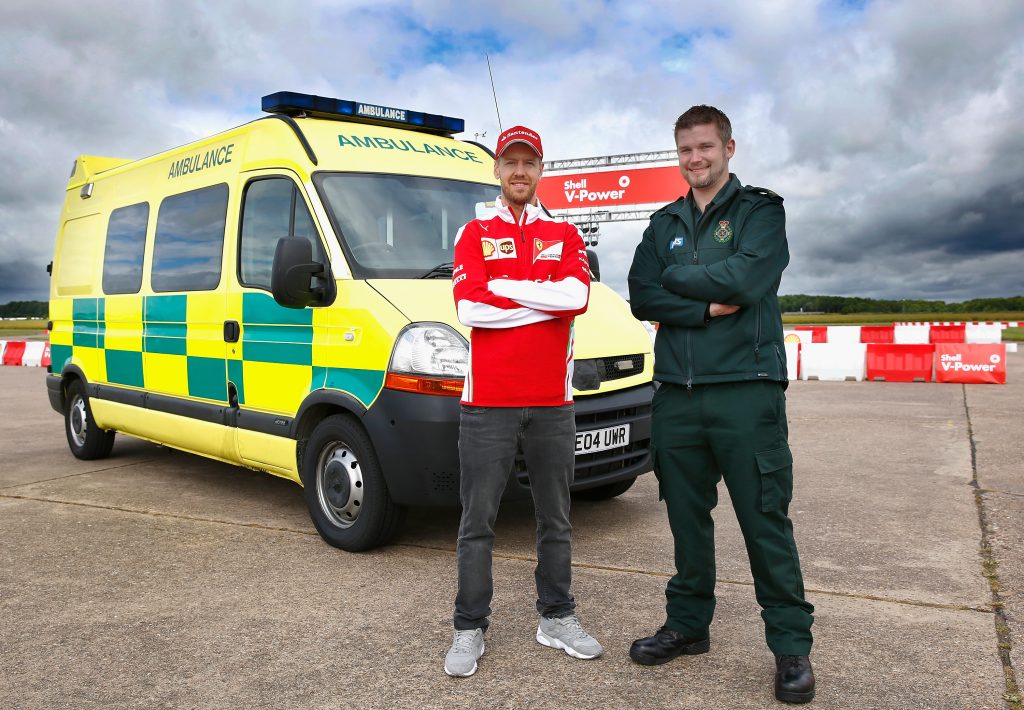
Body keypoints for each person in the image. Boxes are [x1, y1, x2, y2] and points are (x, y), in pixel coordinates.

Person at [626, 105, 816, 704]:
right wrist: (703, 305)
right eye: (685, 149)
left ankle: (791, 649)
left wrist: (675, 280)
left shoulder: (760, 211)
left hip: (746, 390)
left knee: (764, 522)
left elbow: (747, 281)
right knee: (686, 522)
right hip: (677, 397)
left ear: (729, 148)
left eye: (705, 147)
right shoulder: (664, 223)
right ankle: (688, 625)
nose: (695, 159)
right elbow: (638, 292)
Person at [443, 125, 602, 677]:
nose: (519, 171)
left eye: (528, 162)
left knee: (555, 518)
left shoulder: (564, 231)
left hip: (553, 402)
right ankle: (469, 628)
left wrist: (507, 286)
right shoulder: (473, 230)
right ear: (497, 169)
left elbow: (577, 297)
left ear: (541, 169)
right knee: (477, 521)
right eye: (510, 161)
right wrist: (543, 299)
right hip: (486, 403)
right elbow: (471, 310)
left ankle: (556, 617)